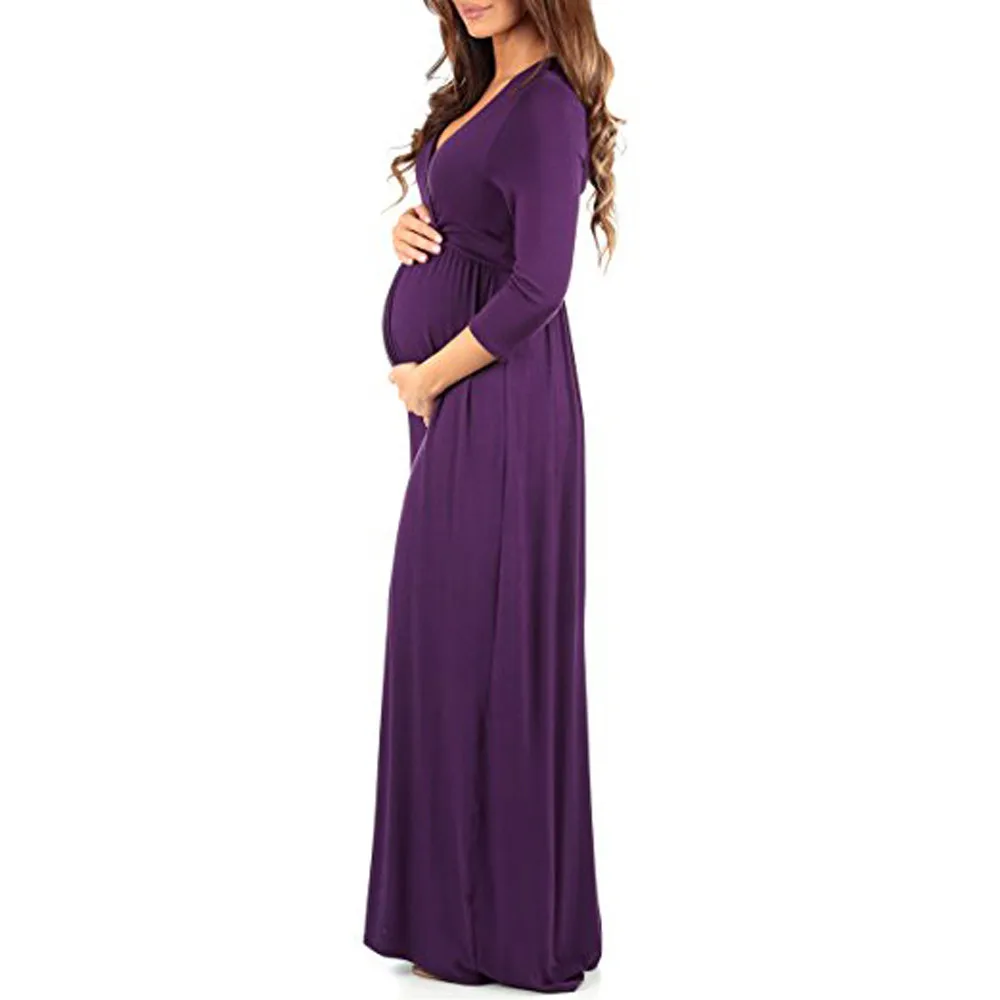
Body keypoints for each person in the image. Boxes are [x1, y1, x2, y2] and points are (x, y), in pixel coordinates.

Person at [364, 0, 620, 991]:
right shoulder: (483, 93)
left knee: (480, 641)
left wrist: (429, 376)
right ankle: (451, 916)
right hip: (461, 401)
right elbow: (481, 233)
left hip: (499, 399)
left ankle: (501, 927)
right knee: (446, 639)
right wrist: (414, 230)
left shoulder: (546, 105)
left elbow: (539, 285)